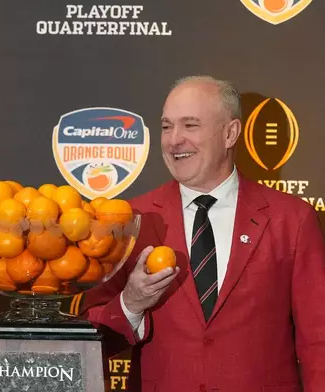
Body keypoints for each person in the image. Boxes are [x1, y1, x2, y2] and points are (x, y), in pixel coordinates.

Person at [80, 75, 325, 391]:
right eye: (167, 127)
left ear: (230, 134)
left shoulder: (291, 219)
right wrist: (131, 302)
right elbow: (90, 340)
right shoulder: (130, 219)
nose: (174, 140)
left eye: (190, 125)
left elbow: (319, 340)